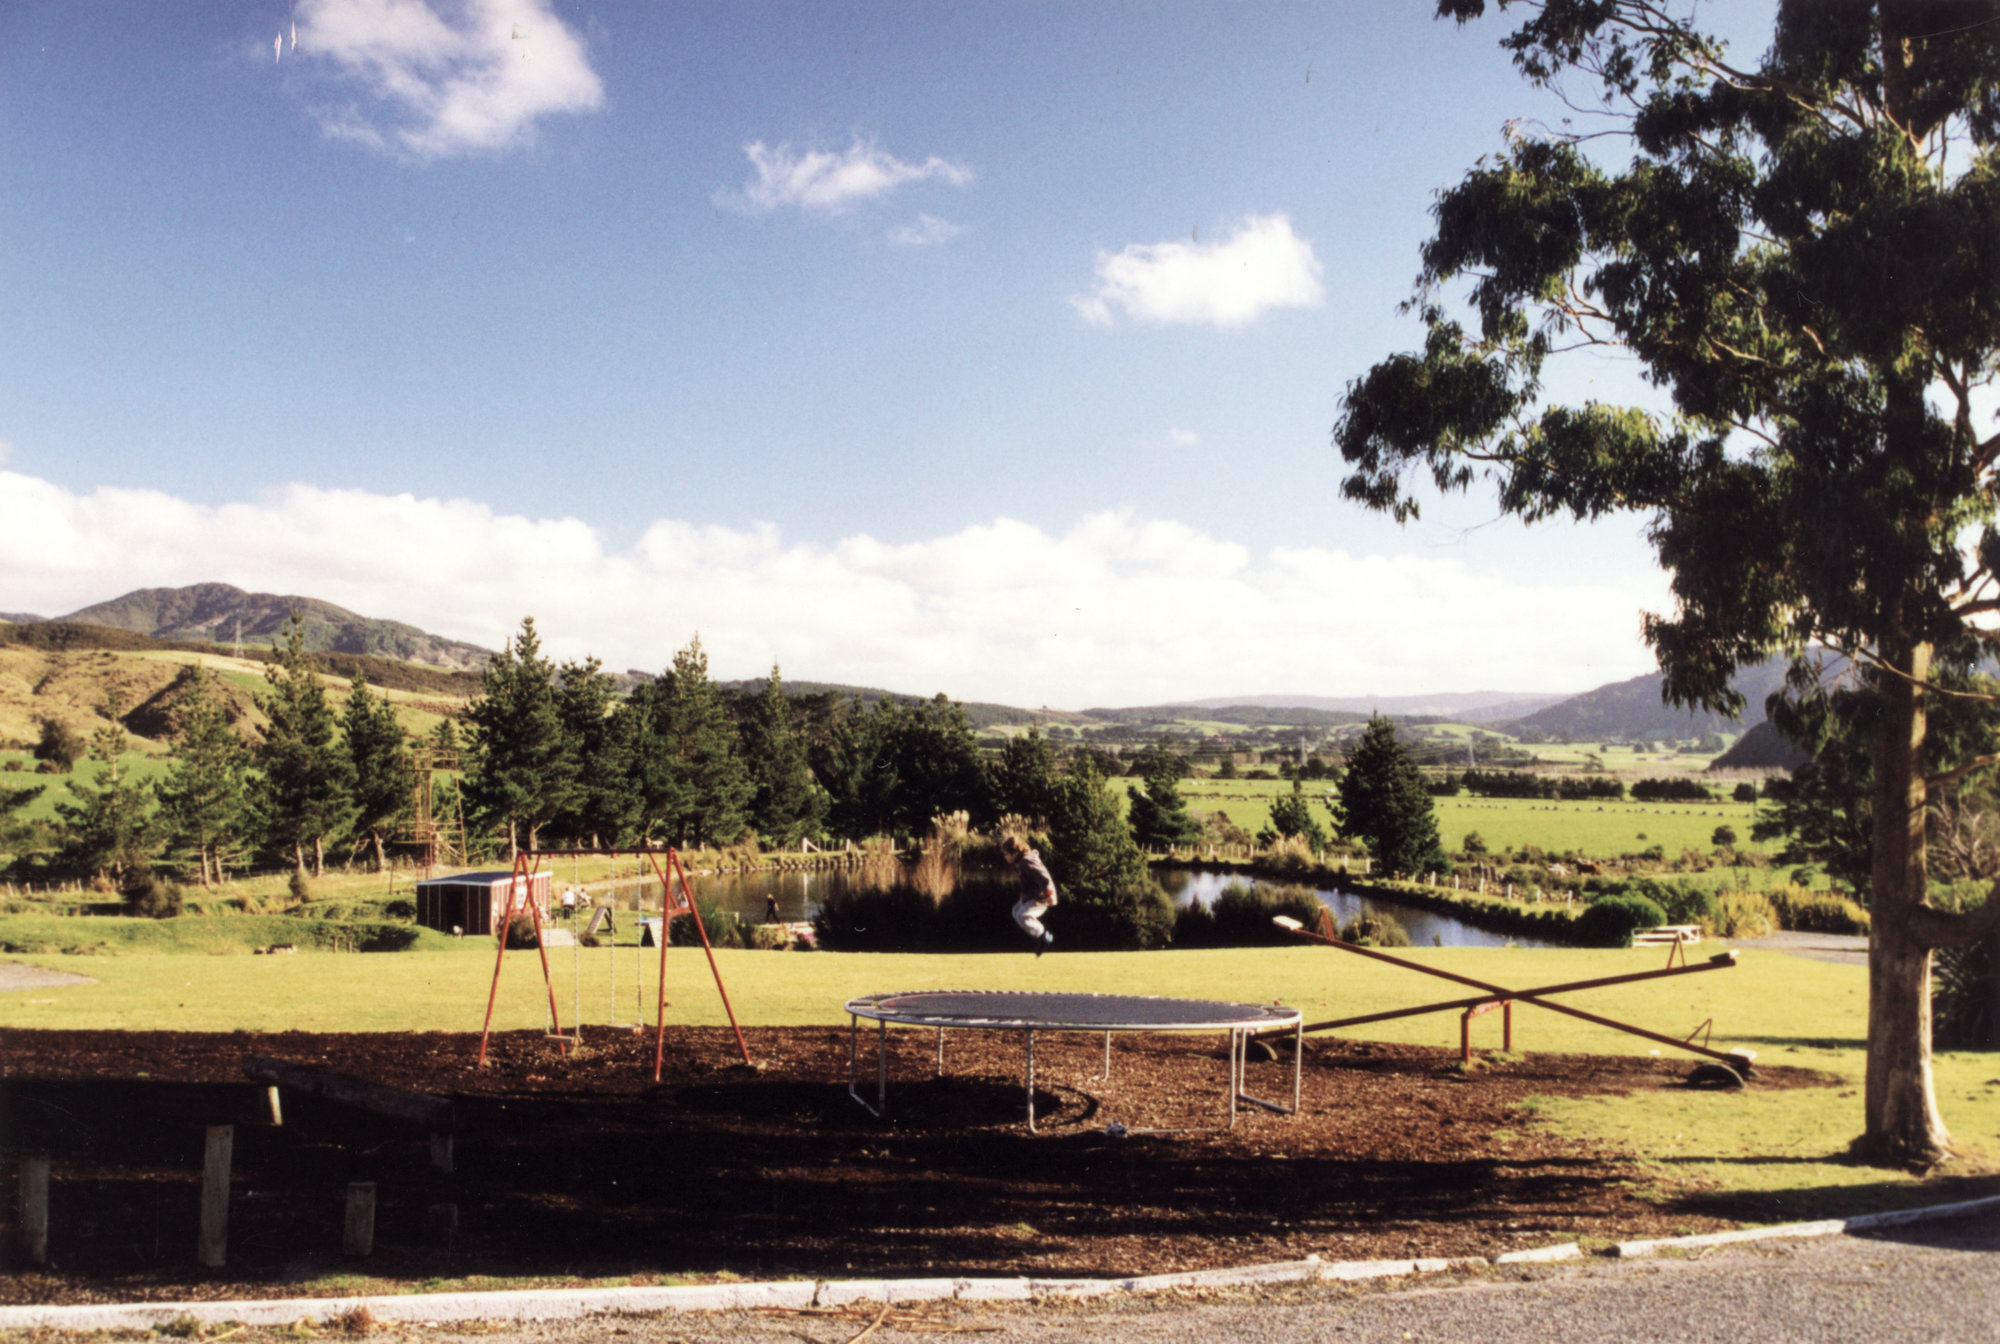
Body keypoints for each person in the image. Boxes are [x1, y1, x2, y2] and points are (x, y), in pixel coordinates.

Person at [1000, 834, 1057, 955]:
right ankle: (1040, 936)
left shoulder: (1027, 861)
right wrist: (1023, 894)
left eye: (1007, 854)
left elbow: (1043, 877)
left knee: (1022, 916)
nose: (1005, 857)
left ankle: (1044, 936)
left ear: (1015, 853)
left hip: (1042, 897)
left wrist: (1049, 894)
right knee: (1015, 911)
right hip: (1032, 895)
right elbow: (1028, 880)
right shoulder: (1021, 862)